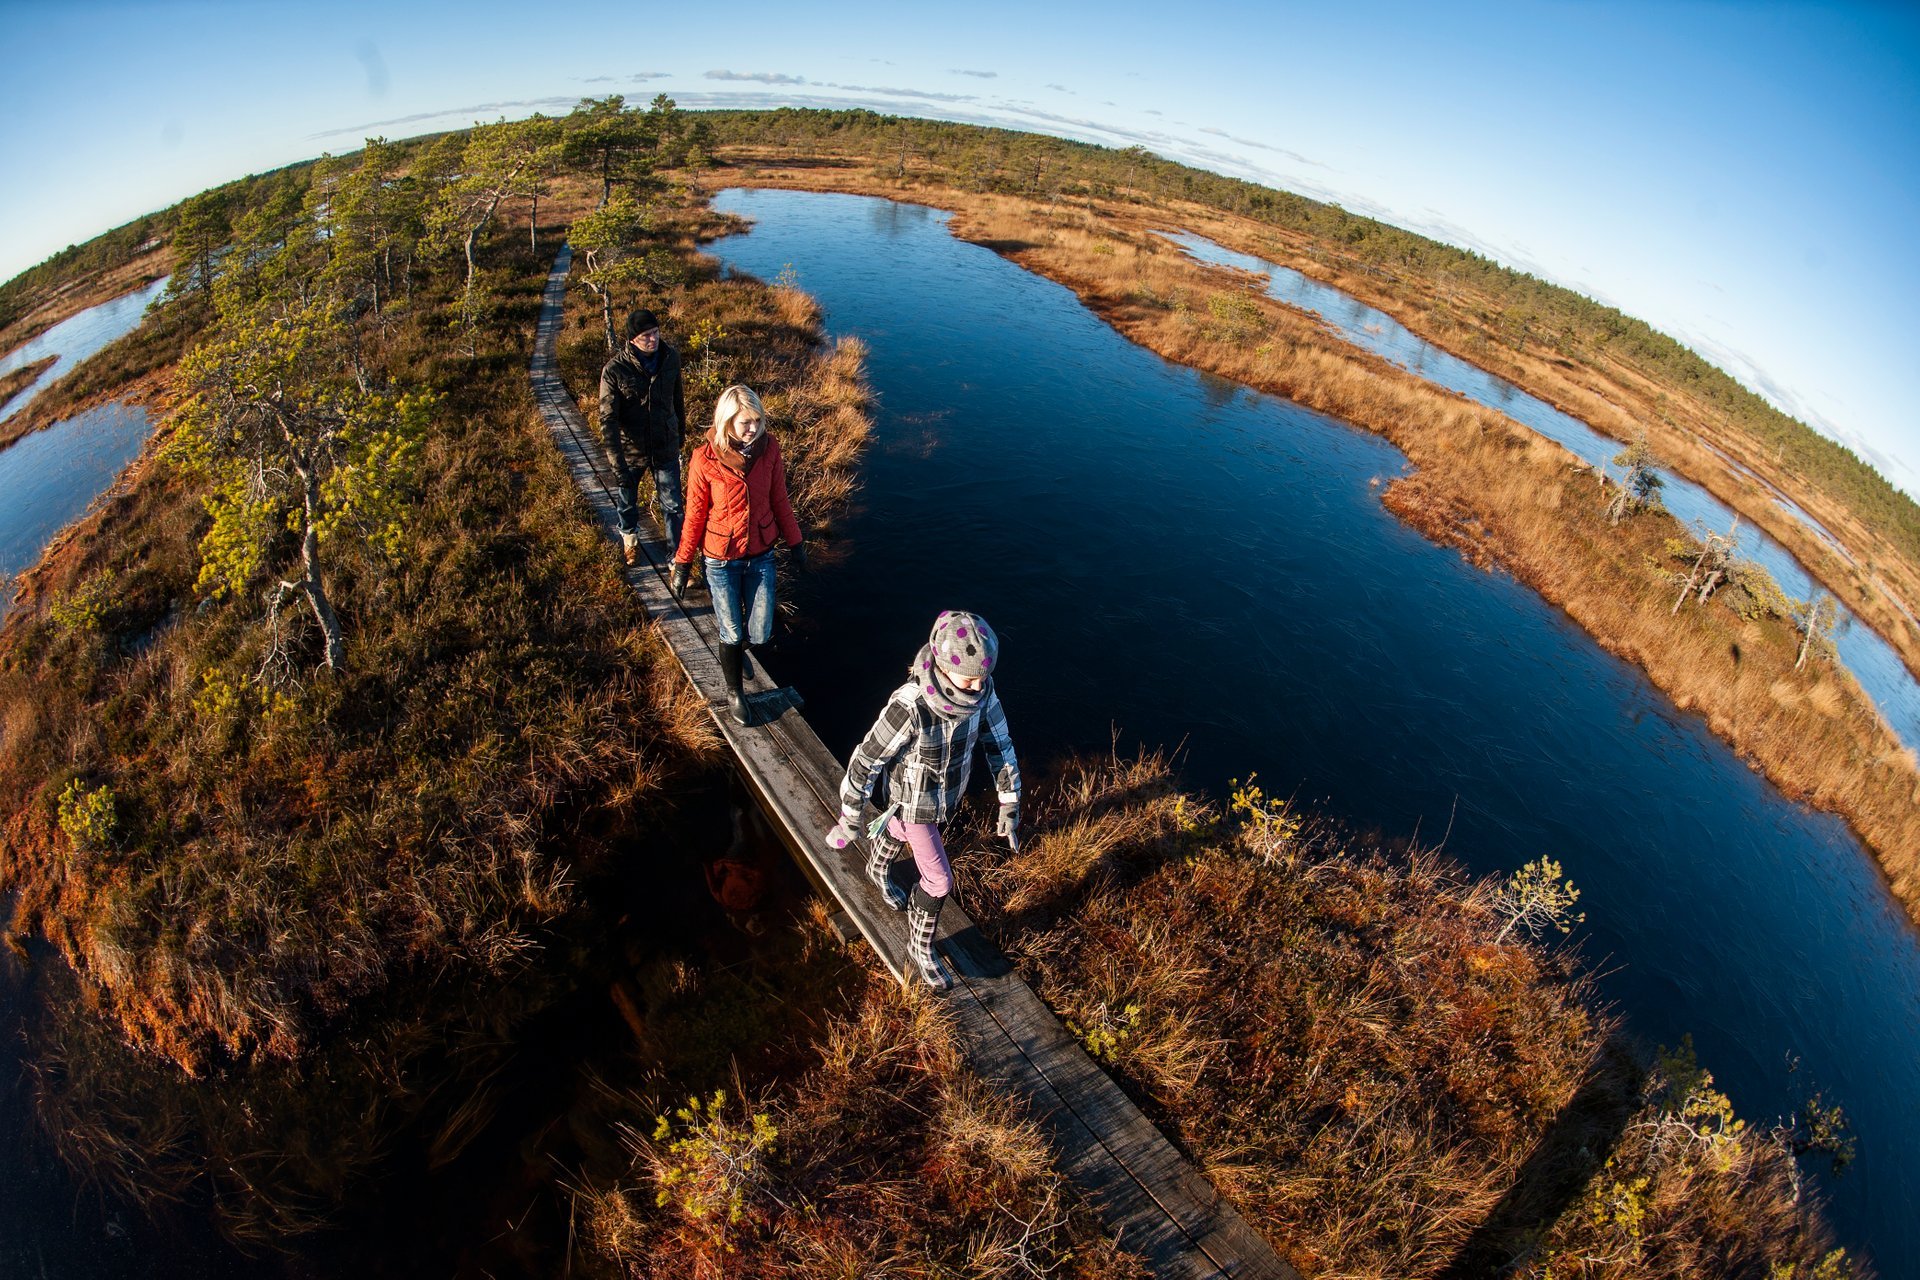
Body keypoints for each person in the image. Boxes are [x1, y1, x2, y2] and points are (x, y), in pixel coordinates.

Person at [825, 612, 1021, 990]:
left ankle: (877, 869)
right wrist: (851, 813)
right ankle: (920, 946)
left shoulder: (983, 692)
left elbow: (999, 743)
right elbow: (868, 758)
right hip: (915, 802)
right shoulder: (911, 705)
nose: (978, 686)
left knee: (895, 827)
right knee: (938, 881)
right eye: (970, 679)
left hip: (945, 797)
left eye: (984, 677)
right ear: (944, 668)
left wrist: (1009, 800)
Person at [670, 384, 806, 724]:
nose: (753, 429)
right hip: (720, 559)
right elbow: (695, 515)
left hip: (760, 554)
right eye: (745, 422)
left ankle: (738, 651)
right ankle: (735, 692)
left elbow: (780, 500)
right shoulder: (704, 458)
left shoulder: (769, 448)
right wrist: (683, 563)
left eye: (757, 421)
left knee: (758, 632)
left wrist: (796, 543)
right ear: (726, 421)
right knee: (730, 631)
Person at [598, 307, 688, 564]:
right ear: (632, 340)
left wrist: (679, 435)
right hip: (631, 451)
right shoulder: (614, 370)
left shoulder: (671, 358)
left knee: (672, 506)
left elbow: (677, 400)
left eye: (656, 332)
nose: (654, 339)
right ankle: (630, 541)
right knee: (627, 500)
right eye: (647, 335)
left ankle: (675, 560)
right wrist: (617, 464)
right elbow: (608, 420)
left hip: (664, 445)